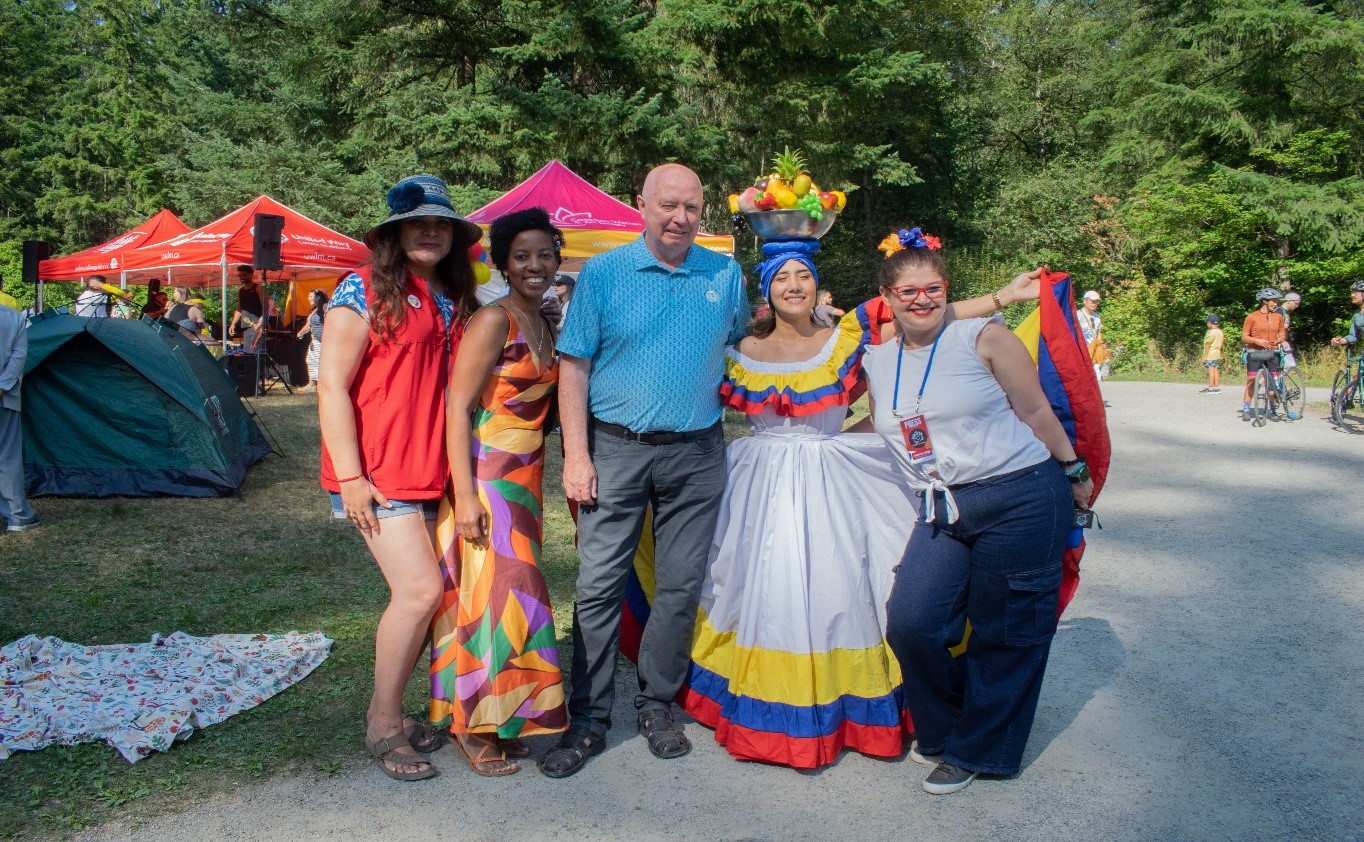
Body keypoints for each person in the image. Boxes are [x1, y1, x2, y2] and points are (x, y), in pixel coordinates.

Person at [681, 231, 1041, 769]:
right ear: (765, 289)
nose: (794, 285)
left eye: (803, 275)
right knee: (763, 586)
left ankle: (858, 703)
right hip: (759, 482)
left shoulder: (846, 338)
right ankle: (769, 703)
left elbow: (924, 314)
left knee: (838, 586)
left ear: (817, 285)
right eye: (781, 277)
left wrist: (1003, 298)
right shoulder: (737, 351)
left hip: (830, 475)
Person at [863, 230, 1093, 795]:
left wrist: (1074, 472)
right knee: (912, 621)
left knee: (1007, 629)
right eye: (908, 291)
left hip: (1020, 495)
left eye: (934, 289)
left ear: (948, 290)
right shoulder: (874, 356)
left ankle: (980, 750)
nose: (923, 300)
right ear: (886, 298)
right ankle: (942, 729)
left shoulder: (983, 338)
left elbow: (1036, 409)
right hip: (942, 506)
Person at [540, 163, 749, 779]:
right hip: (617, 449)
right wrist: (576, 456)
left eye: (692, 206)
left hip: (697, 453)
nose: (680, 217)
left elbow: (742, 342)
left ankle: (658, 704)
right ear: (642, 205)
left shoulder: (724, 272)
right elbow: (572, 367)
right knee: (599, 583)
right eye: (668, 205)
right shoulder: (603, 273)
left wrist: (805, 326)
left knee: (680, 586)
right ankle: (590, 718)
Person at [317, 174, 482, 782]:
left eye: (441, 223)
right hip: (378, 474)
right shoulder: (361, 290)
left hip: (431, 470)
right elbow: (332, 385)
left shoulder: (455, 296)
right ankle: (383, 726)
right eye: (419, 222)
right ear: (395, 232)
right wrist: (353, 477)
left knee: (430, 597)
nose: (432, 231)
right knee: (417, 593)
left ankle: (392, 712)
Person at [432, 207, 569, 777]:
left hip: (526, 483)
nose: (534, 265)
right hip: (487, 480)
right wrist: (464, 497)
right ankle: (473, 724)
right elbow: (455, 407)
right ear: (502, 263)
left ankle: (503, 716)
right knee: (498, 597)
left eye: (544, 254)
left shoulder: (545, 321)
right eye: (521, 256)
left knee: (509, 600)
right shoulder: (494, 321)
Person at [0, 301, 37, 533]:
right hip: (6, 397)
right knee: (7, 456)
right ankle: (16, 515)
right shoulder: (14, 318)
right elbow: (19, 355)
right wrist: (3, 385)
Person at [1240, 288, 1286, 421]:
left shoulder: (1278, 317)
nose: (1276, 304)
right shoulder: (1252, 317)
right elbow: (1244, 336)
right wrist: (1257, 340)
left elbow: (1282, 332)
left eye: (1277, 301)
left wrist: (1280, 339)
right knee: (1252, 381)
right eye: (1274, 301)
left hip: (1272, 352)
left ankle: (1272, 409)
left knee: (1271, 383)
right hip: (1255, 352)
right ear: (1265, 301)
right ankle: (1247, 408)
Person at [296, 289, 328, 392]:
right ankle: (312, 384)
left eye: (310, 296)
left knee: (320, 362)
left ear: (318, 297)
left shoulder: (325, 308)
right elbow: (309, 325)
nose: (308, 298)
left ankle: (321, 385)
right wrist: (301, 332)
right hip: (315, 341)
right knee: (310, 360)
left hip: (324, 341)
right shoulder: (314, 310)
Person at [230, 265, 265, 351]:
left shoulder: (258, 288)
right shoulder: (240, 291)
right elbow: (239, 309)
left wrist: (261, 323)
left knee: (255, 354)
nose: (241, 277)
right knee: (248, 354)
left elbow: (266, 307)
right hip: (246, 328)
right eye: (240, 275)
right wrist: (233, 324)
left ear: (251, 274)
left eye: (244, 275)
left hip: (257, 326)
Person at [1076, 289, 1105, 381]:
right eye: (1092, 301)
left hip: (1093, 350)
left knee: (1096, 372)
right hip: (1081, 350)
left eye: (1096, 301)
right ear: (1085, 301)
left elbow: (1098, 333)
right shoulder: (1077, 315)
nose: (1094, 303)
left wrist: (1100, 346)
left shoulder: (1097, 317)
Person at [1329, 280, 1364, 350]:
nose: (1352, 295)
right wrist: (1341, 341)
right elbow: (1353, 336)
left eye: (1355, 292)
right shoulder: (1356, 315)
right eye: (1352, 292)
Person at [1200, 314, 1224, 394]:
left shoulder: (1211, 332)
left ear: (1210, 323)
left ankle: (1210, 388)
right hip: (1217, 354)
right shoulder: (1220, 332)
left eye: (1207, 322)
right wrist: (1221, 353)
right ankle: (1216, 387)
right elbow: (1222, 344)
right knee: (1216, 369)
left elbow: (1208, 344)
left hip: (1211, 354)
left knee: (1211, 370)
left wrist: (1205, 356)